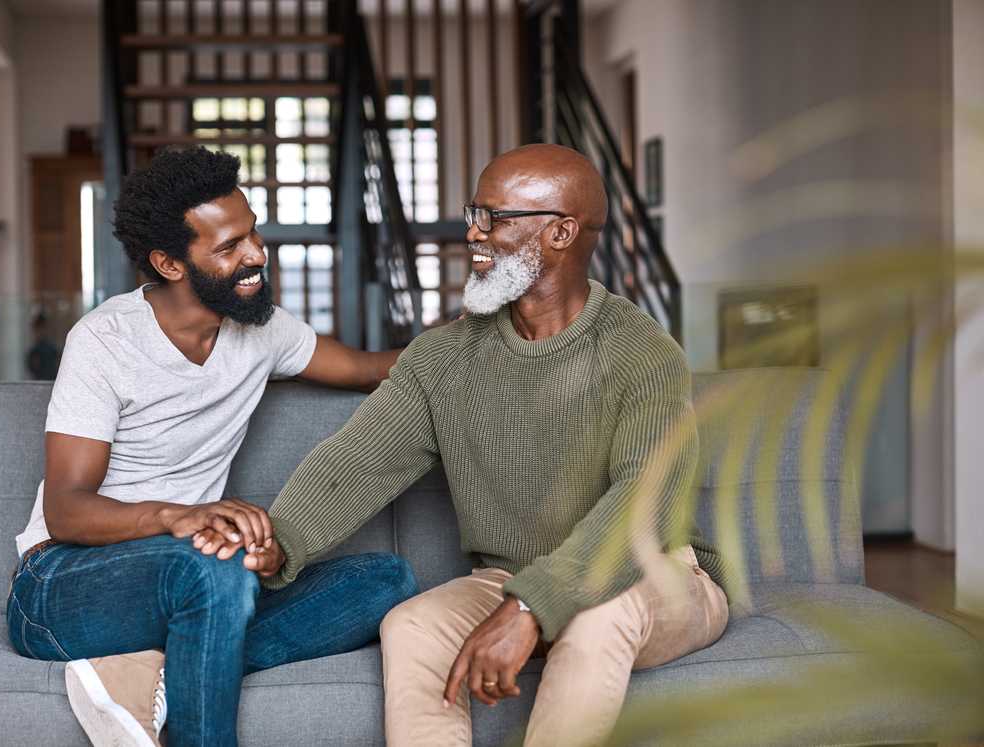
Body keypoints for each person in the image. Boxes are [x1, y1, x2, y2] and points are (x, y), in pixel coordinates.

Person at [241, 144, 729, 746]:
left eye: (492, 217)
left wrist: (532, 607)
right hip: (507, 578)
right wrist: (277, 541)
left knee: (598, 618)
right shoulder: (442, 357)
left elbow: (643, 505)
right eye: (475, 212)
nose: (471, 231)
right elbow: (358, 461)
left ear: (561, 233)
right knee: (412, 625)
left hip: (650, 577)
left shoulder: (642, 353)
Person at [7, 147, 418, 747]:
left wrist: (483, 335)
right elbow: (67, 509)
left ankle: (172, 669)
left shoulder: (262, 329)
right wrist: (180, 517)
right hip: (59, 584)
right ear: (169, 263)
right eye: (229, 248)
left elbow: (366, 368)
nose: (256, 255)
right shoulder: (105, 340)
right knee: (211, 569)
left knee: (389, 580)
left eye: (251, 234)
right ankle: (195, 651)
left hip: (199, 573)